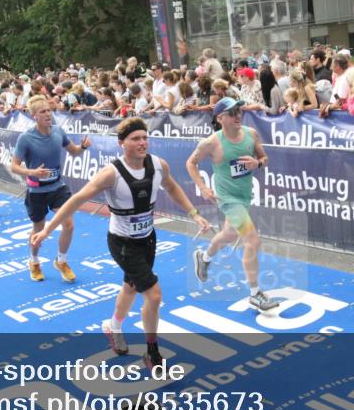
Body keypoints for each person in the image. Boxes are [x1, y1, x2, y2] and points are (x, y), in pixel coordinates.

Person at [31, 117, 210, 371]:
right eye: (135, 138)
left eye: (145, 137)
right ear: (121, 143)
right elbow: (76, 199)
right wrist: (48, 229)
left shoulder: (159, 165)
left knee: (131, 287)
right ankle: (152, 352)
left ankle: (113, 326)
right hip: (122, 243)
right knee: (154, 294)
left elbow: (172, 188)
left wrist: (194, 214)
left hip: (148, 238)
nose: (142, 143)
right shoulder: (111, 173)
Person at [187, 98, 280, 312]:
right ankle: (255, 294)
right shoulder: (211, 142)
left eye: (239, 110)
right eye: (232, 112)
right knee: (253, 241)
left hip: (245, 195)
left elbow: (264, 158)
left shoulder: (251, 134)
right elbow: (190, 163)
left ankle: (204, 256)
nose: (238, 115)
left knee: (229, 234)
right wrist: (202, 187)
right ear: (220, 118)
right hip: (227, 199)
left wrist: (258, 163)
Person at [10, 95, 91, 283]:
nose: (48, 114)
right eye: (43, 112)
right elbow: (14, 166)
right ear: (33, 116)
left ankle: (61, 261)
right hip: (36, 191)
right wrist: (32, 172)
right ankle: (34, 261)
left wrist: (83, 147)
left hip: (57, 187)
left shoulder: (58, 131)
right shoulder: (26, 138)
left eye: (49, 110)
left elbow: (74, 152)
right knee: (38, 229)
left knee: (69, 224)